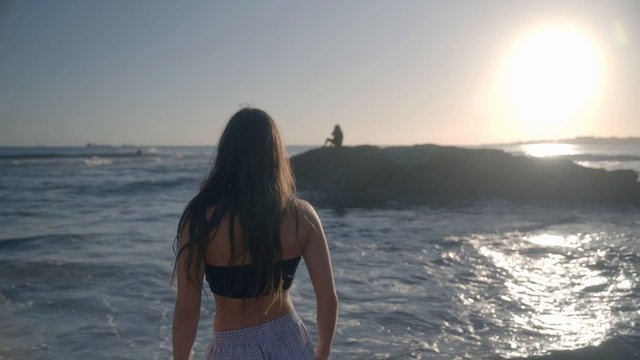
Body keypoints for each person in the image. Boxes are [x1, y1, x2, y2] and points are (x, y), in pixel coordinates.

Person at [172, 107, 338, 360]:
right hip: (291, 341)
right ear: (275, 155)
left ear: (227, 154)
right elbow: (328, 299)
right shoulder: (302, 216)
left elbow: (187, 308)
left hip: (233, 349)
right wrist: (322, 354)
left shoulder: (201, 220)